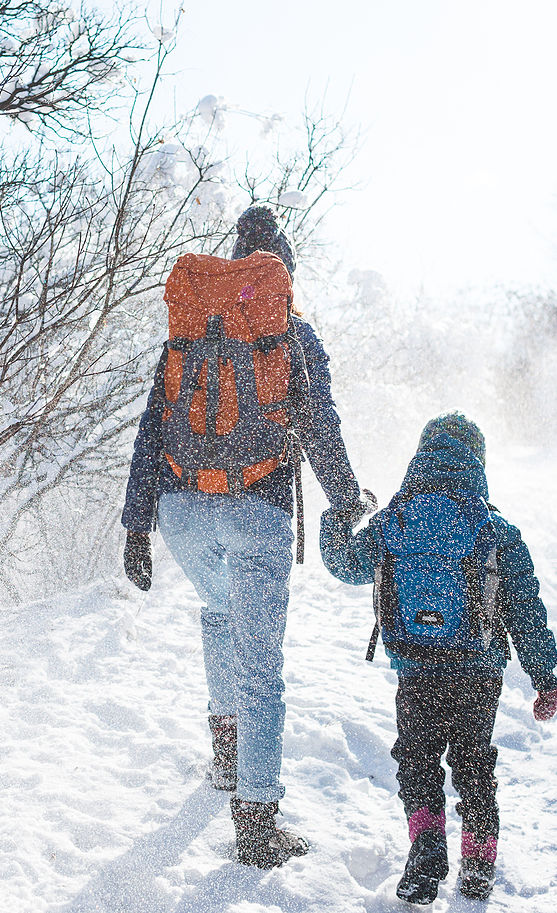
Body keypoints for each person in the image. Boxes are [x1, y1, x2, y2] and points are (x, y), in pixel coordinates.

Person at [120, 205, 367, 868]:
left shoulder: (192, 331)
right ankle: (256, 824)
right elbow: (320, 428)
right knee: (261, 666)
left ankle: (226, 755)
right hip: (255, 511)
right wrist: (346, 501)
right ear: (282, 271)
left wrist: (136, 525)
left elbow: (152, 426)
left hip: (181, 509)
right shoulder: (290, 334)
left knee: (218, 607)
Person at [319, 412, 557, 903]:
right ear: (477, 462)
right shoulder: (495, 530)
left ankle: (427, 847)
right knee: (474, 762)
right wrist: (544, 675)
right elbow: (525, 607)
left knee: (417, 758)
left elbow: (346, 564)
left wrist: (336, 518)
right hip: (477, 671)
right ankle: (477, 861)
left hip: (418, 665)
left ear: (421, 456)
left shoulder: (394, 521)